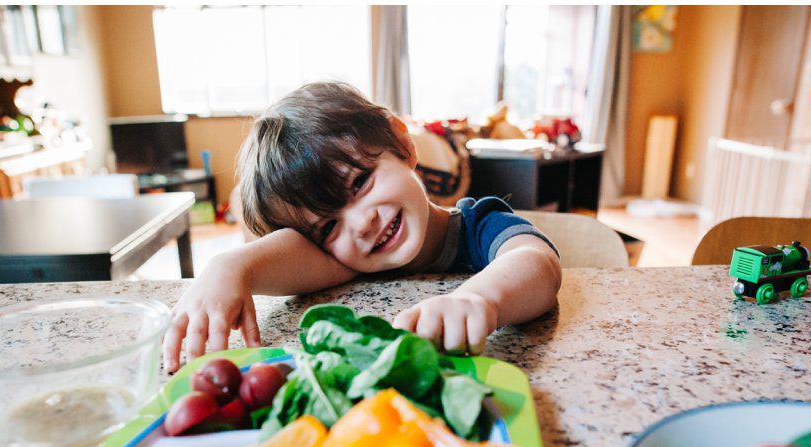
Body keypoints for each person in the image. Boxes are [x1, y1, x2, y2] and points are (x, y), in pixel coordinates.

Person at [162, 82, 562, 373]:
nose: (361, 222)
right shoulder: (347, 257)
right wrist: (230, 267)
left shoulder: (479, 224)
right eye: (328, 227)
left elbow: (537, 264)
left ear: (402, 144)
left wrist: (480, 300)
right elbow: (288, 253)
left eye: (359, 182)